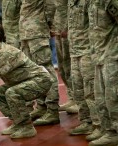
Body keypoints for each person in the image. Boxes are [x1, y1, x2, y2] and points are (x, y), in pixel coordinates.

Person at [19, 0, 60, 126]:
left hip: (37, 32)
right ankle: (41, 107)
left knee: (46, 70)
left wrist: (50, 26)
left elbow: (51, 5)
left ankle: (52, 110)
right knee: (33, 73)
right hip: (26, 34)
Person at [87, 1, 118, 145]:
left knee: (113, 98)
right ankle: (110, 132)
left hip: (112, 55)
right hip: (98, 56)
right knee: (101, 98)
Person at [67, 0, 99, 137]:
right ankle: (86, 121)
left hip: (87, 50)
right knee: (78, 88)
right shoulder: (71, 1)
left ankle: (98, 124)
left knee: (90, 90)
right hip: (74, 50)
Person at [53, 0, 78, 114]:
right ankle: (71, 98)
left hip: (67, 32)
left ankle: (78, 100)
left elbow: (74, 10)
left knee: (71, 68)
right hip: (58, 31)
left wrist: (68, 27)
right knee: (62, 68)